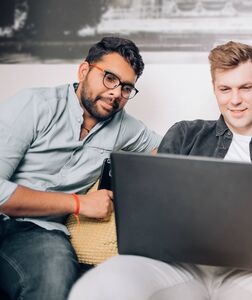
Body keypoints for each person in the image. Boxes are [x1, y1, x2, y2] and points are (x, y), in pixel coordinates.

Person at [69, 41, 252, 300]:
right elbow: (154, 209)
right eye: (225, 89)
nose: (236, 100)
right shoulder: (185, 135)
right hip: (175, 267)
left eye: (246, 87)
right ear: (214, 89)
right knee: (99, 287)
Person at [0, 36, 161, 300]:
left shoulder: (125, 127)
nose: (116, 93)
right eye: (110, 78)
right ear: (84, 70)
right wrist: (78, 203)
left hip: (39, 233)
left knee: (55, 275)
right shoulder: (35, 105)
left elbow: (170, 150)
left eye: (126, 88)